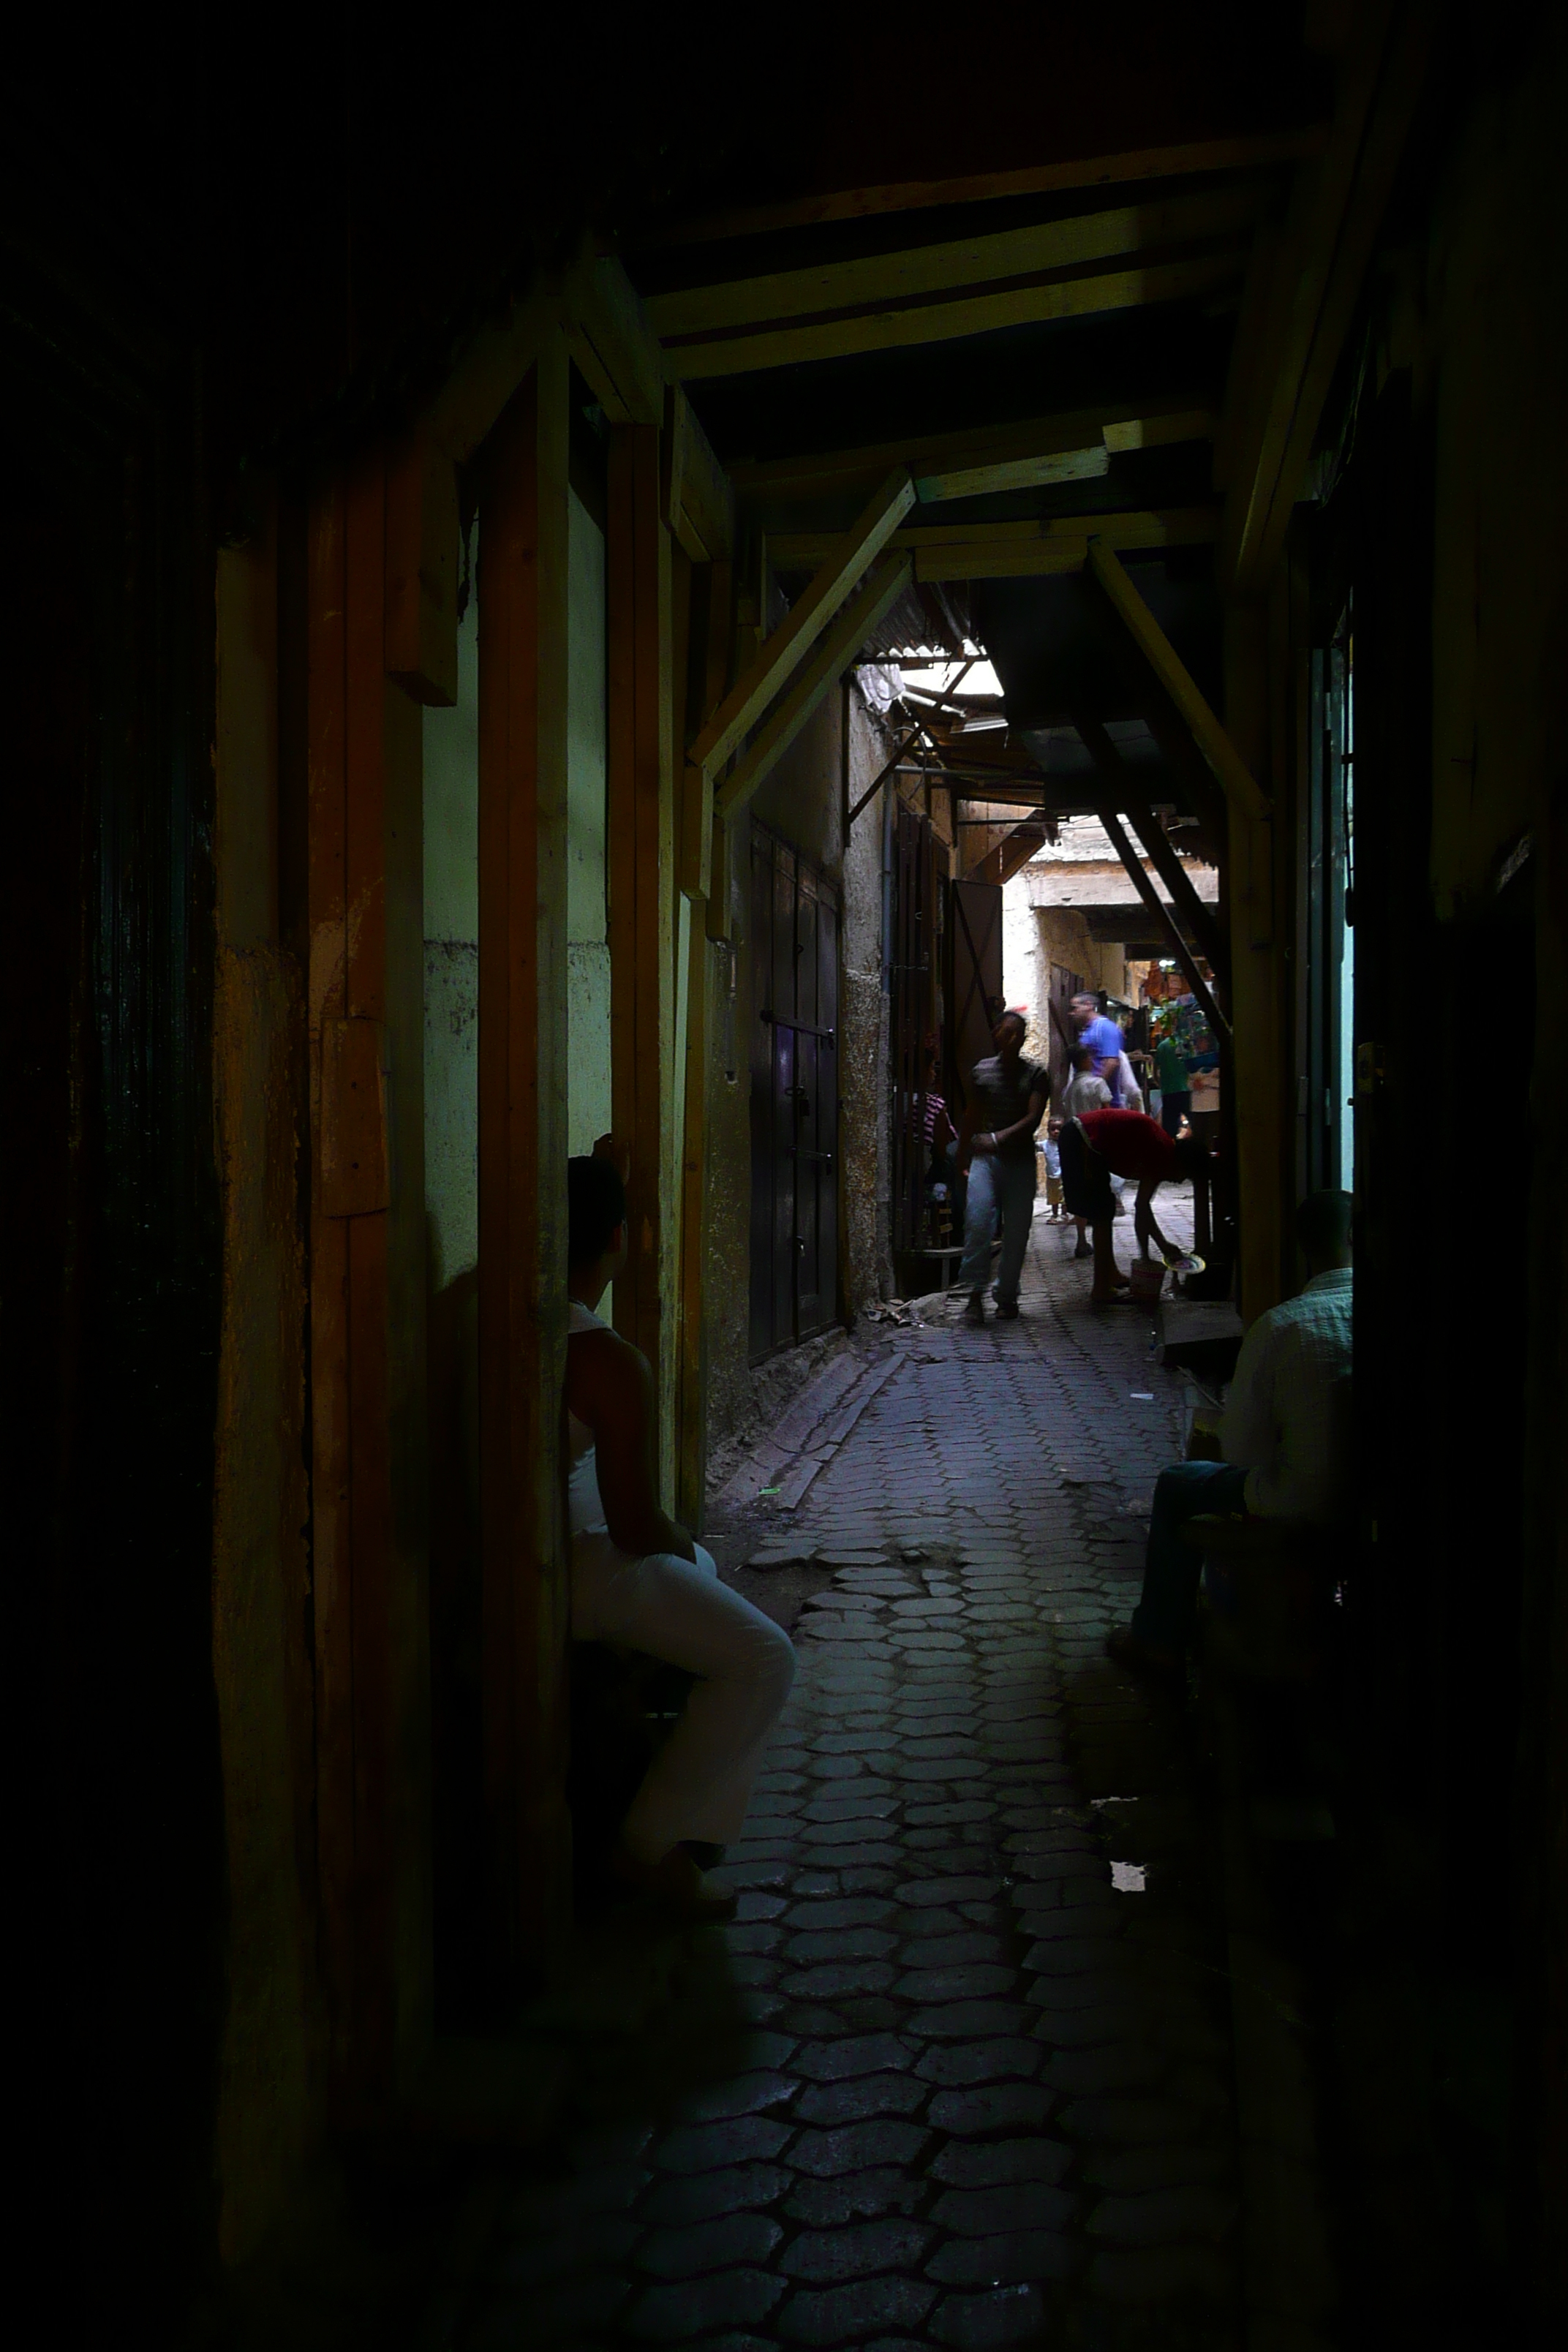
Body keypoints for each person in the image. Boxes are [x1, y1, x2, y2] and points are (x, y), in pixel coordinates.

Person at [565, 1145, 796, 1920]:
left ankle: (682, 1830)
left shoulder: (492, 1319)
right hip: (577, 1566)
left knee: (699, 1571)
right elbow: (633, 1522)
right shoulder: (603, 1359)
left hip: (537, 1552)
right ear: (619, 1241)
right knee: (763, 1656)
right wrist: (676, 1544)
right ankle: (642, 1850)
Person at [1105, 1189, 1354, 1676]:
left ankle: (1157, 1637)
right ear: (1353, 1236)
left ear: (1303, 1247)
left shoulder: (1282, 1326)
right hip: (1375, 1500)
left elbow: (1240, 1449)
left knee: (1178, 1481)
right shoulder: (1396, 1313)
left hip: (1303, 1504)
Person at [1058, 1103, 1210, 1303]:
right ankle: (1101, 1289)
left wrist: (1146, 1257)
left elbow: (1142, 1206)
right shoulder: (1161, 1151)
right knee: (1102, 1213)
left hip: (1085, 1139)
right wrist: (1163, 1245)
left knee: (1105, 1209)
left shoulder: (1164, 1154)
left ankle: (1111, 1274)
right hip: (1081, 1138)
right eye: (1186, 1176)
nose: (1180, 1181)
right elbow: (1143, 1208)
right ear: (1182, 1163)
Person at [955, 1007, 1048, 1323]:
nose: (1010, 1038)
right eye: (1005, 1032)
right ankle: (974, 1296)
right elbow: (972, 1114)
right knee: (978, 1222)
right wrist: (961, 1154)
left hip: (1019, 1161)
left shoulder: (1036, 1076)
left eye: (1017, 1034)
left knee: (1017, 1232)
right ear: (996, 1034)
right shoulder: (981, 1071)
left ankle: (1007, 1297)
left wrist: (995, 1138)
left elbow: (1033, 1118)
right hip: (985, 1161)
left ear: (1023, 1040)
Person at [1058, 1046, 1112, 1259]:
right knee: (1099, 1189)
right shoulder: (1098, 1084)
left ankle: (1081, 1239)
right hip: (1094, 1140)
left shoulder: (1068, 1090)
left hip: (1073, 1141)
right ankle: (1102, 1245)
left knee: (1079, 1189)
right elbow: (1107, 1114)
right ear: (1083, 1060)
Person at [1071, 992, 1126, 1104]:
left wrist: (1094, 1090)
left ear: (1088, 1005)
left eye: (1075, 1008)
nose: (1072, 1013)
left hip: (1103, 1103)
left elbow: (1111, 1062)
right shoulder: (1088, 1030)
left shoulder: (1104, 1028)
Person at [1153, 1030, 1193, 1137]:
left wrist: (1160, 1084)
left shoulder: (1161, 1046)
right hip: (1185, 1088)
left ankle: (1172, 1149)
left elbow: (1155, 1070)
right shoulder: (1185, 1043)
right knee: (1191, 1122)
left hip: (1168, 1091)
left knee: (1169, 1127)